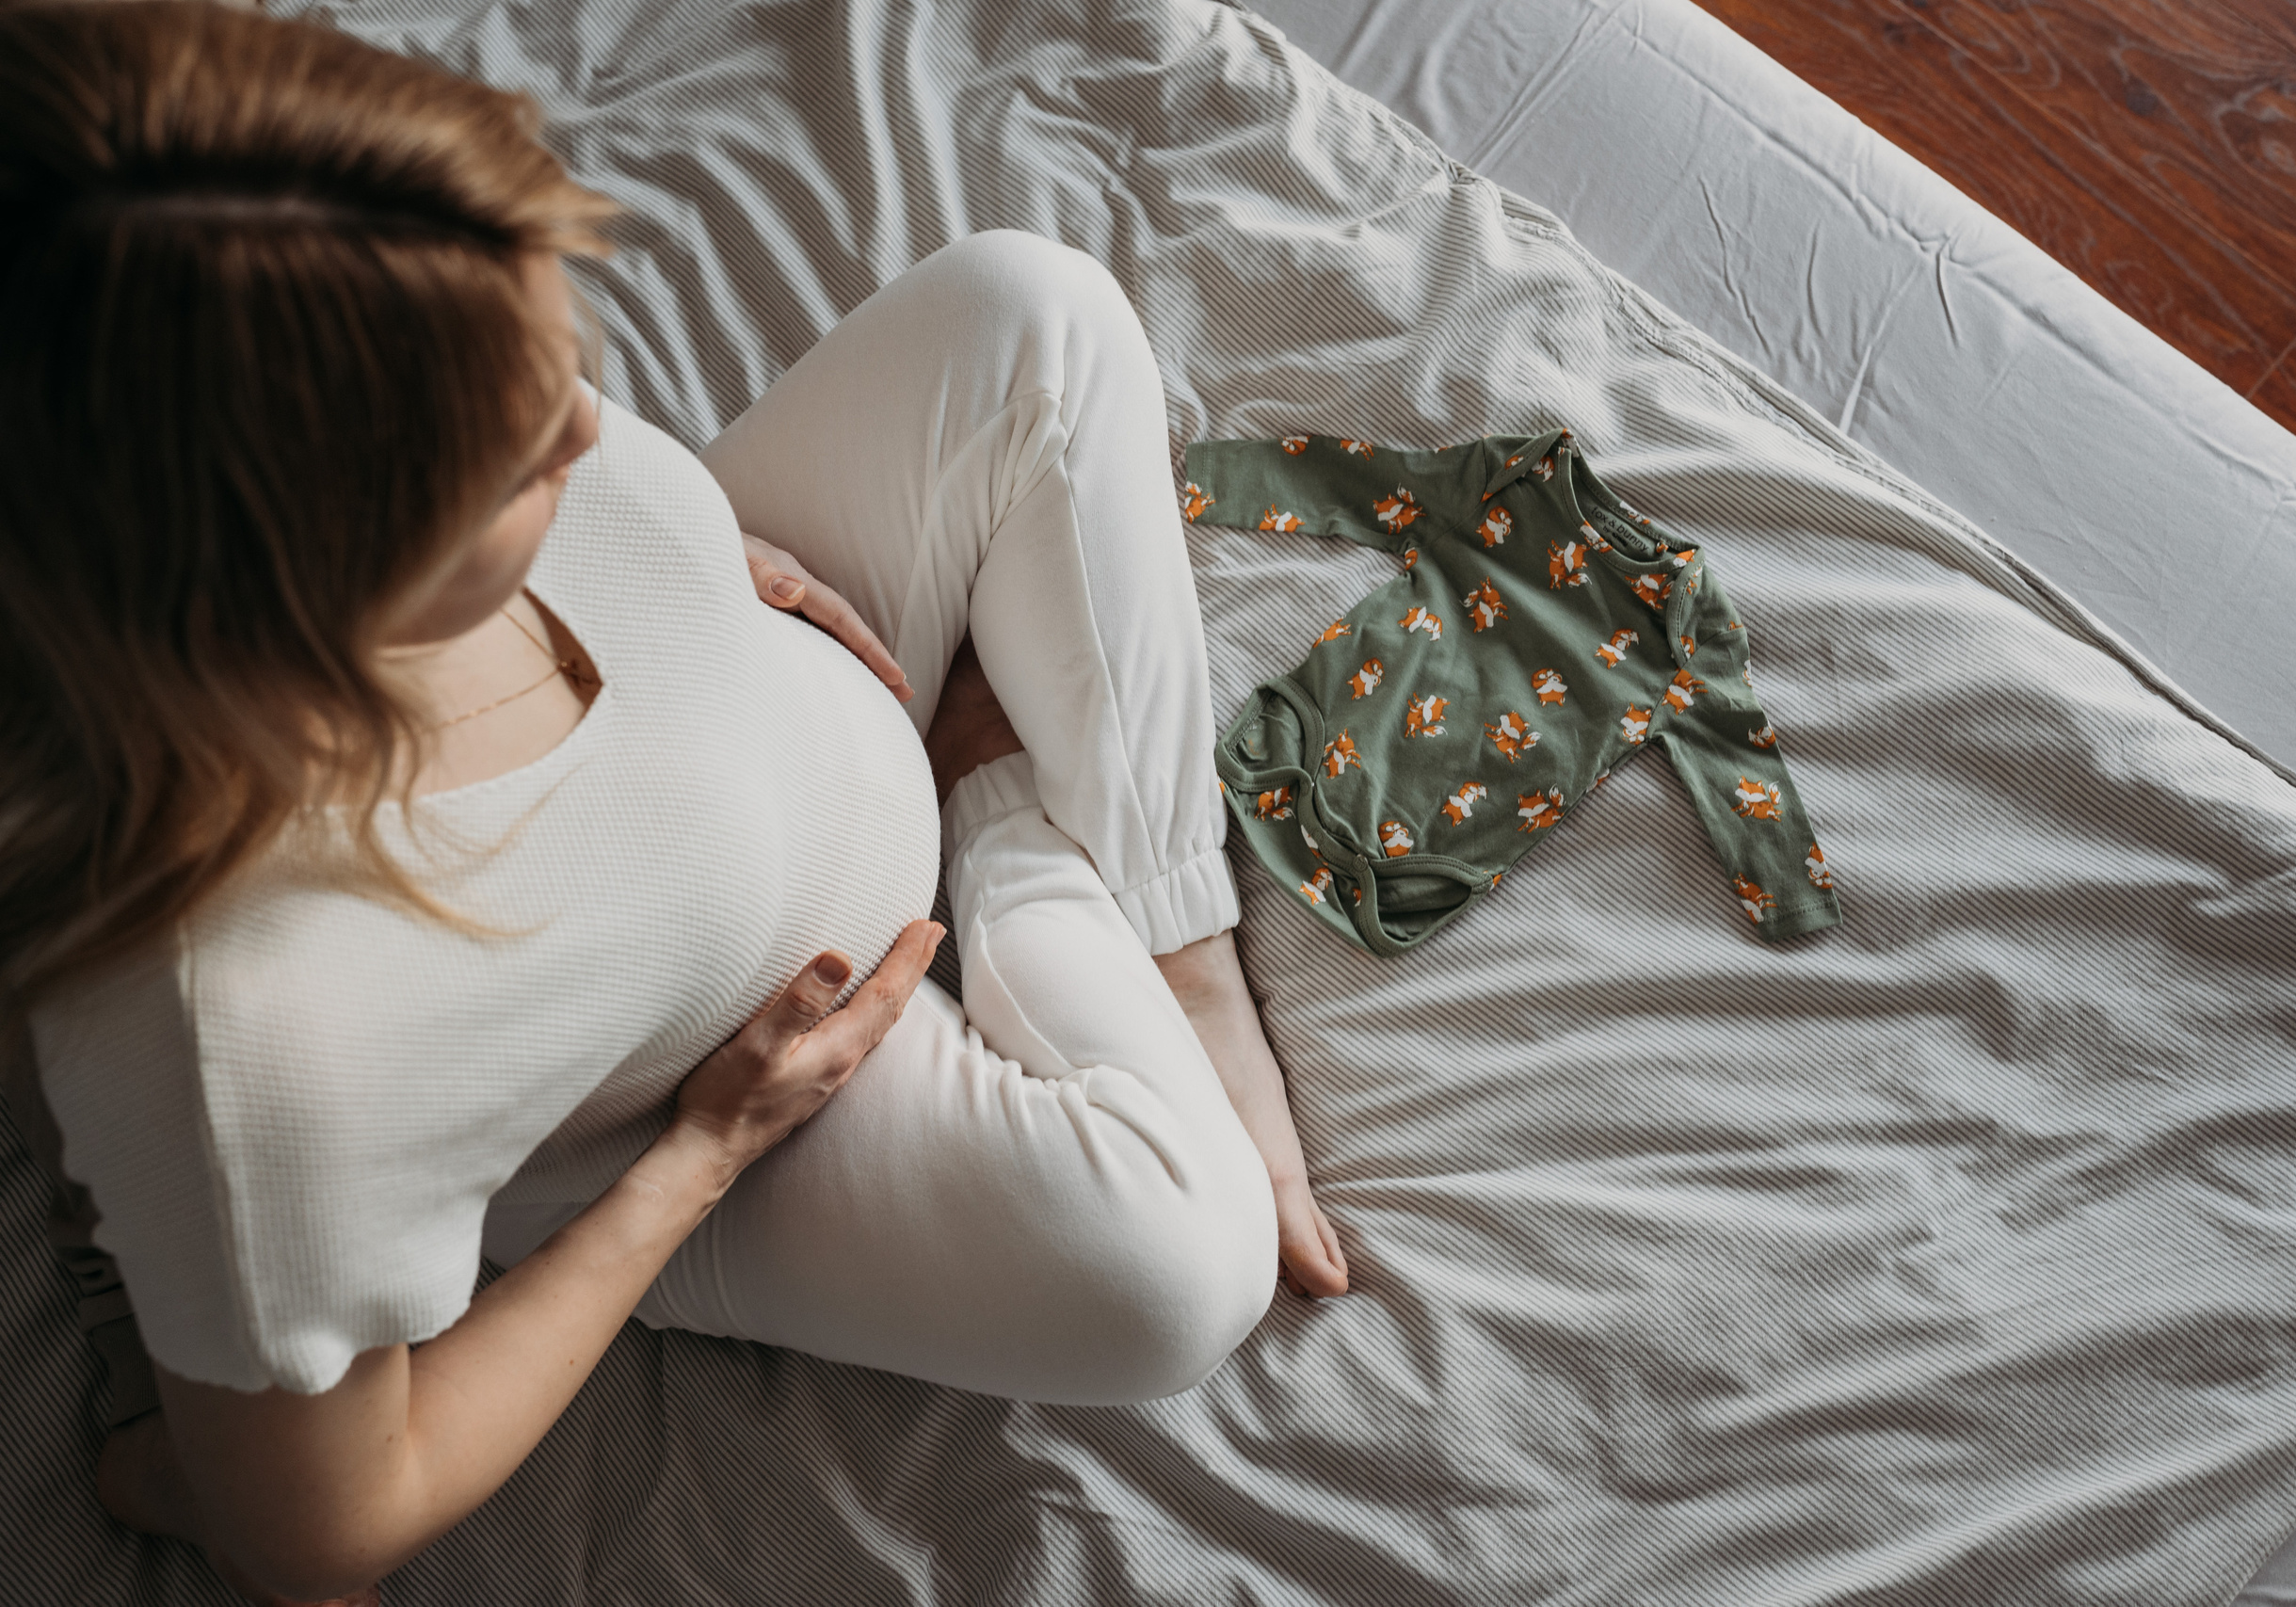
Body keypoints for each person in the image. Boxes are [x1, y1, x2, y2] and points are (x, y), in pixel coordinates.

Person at [0, 5, 1347, 1601]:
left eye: (555, 349)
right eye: (517, 465)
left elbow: (574, 439)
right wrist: (703, 1155)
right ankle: (1010, 819)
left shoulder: (340, 390)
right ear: (298, 595)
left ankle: (1178, 948)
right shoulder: (252, 1035)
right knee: (1175, 1279)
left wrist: (693, 546)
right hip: (715, 1087)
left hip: (776, 686)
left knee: (1034, 310)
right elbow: (326, 1538)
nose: (588, 422)